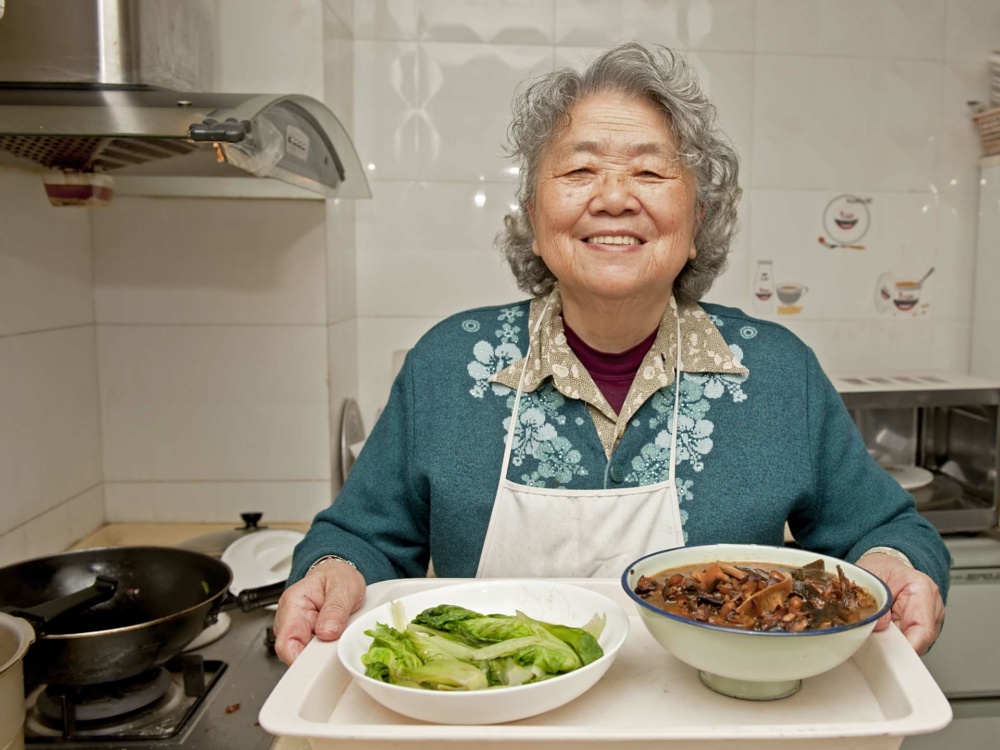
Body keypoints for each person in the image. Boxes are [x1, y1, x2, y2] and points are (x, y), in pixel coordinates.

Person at [274, 41, 948, 665]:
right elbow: (359, 538)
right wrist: (333, 573)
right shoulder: (450, 365)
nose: (615, 198)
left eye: (651, 172)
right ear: (535, 220)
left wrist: (897, 566)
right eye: (580, 169)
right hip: (493, 729)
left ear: (697, 223)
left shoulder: (774, 372)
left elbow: (882, 530)